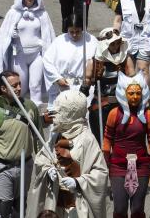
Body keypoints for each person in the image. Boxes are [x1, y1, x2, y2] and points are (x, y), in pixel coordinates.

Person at [26, 89, 109, 218]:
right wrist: (47, 170)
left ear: (71, 113)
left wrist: (78, 182)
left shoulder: (87, 139)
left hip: (75, 205)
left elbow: (100, 173)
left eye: (60, 111)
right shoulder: (56, 136)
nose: (55, 115)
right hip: (56, 201)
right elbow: (41, 159)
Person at [0, 71, 42, 218]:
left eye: (19, 84)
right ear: (3, 88)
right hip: (1, 167)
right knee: (4, 209)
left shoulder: (30, 107)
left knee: (20, 207)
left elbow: (39, 139)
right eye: (14, 85)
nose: (19, 88)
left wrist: (44, 166)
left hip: (25, 165)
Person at [0, 0, 56, 104]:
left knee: (35, 86)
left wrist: (44, 45)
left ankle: (36, 113)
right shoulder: (13, 13)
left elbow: (48, 35)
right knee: (19, 87)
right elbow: (4, 36)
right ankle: (20, 111)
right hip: (19, 56)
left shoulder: (42, 14)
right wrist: (11, 35)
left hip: (36, 55)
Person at [102, 72, 150, 218]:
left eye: (138, 93)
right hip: (118, 166)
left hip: (141, 167)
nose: (134, 97)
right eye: (131, 93)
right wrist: (104, 167)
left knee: (137, 210)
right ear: (123, 93)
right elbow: (107, 142)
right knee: (120, 209)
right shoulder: (114, 114)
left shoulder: (148, 115)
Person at [42, 13, 97, 105]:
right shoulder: (59, 41)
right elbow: (47, 61)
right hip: (65, 85)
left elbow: (98, 61)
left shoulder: (92, 41)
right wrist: (57, 78)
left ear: (82, 29)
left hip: (85, 87)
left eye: (78, 31)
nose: (74, 35)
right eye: (71, 32)